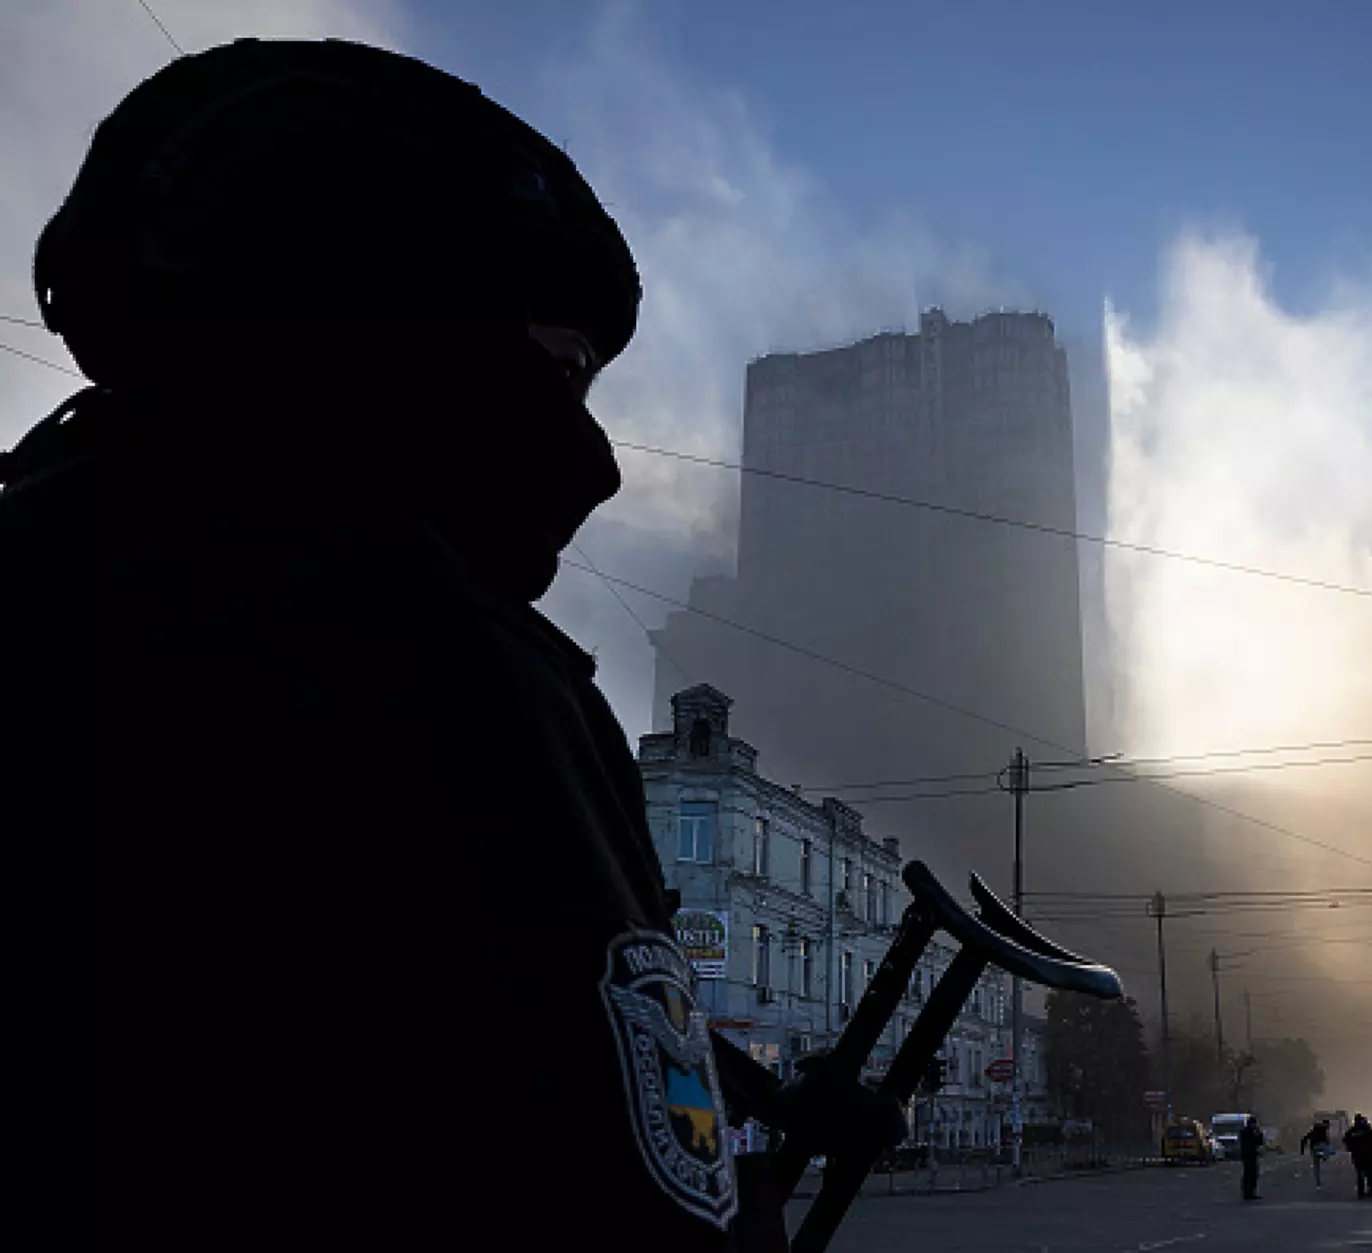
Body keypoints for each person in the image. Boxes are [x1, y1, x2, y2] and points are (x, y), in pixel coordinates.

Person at [4, 39, 901, 1250]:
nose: (594, 456)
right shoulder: (431, 657)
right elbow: (596, 1137)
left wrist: (757, 1094)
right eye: (561, 363)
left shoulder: (71, 555)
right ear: (393, 300)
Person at [1343, 1113, 1372, 1198]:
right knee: (1368, 1173)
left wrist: (1351, 1146)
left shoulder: (1354, 1130)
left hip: (1359, 1155)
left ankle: (1362, 1191)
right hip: (1366, 1155)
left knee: (1361, 1174)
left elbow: (1346, 1139)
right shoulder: (1366, 1129)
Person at [1300, 1119, 1334, 1191]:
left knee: (1316, 1166)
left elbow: (1303, 1140)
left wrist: (1302, 1150)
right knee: (1328, 1148)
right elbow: (1327, 1142)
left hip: (1314, 1149)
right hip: (1321, 1147)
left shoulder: (1312, 1132)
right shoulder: (1324, 1130)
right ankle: (1325, 1156)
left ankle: (1318, 1182)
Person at [1240, 1117, 1267, 1200]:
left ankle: (1249, 1192)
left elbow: (1259, 1141)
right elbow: (1258, 1141)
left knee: (1249, 1174)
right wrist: (1259, 1132)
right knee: (1251, 1174)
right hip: (1250, 1155)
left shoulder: (1245, 1131)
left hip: (1249, 1155)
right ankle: (1249, 1192)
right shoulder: (1248, 1132)